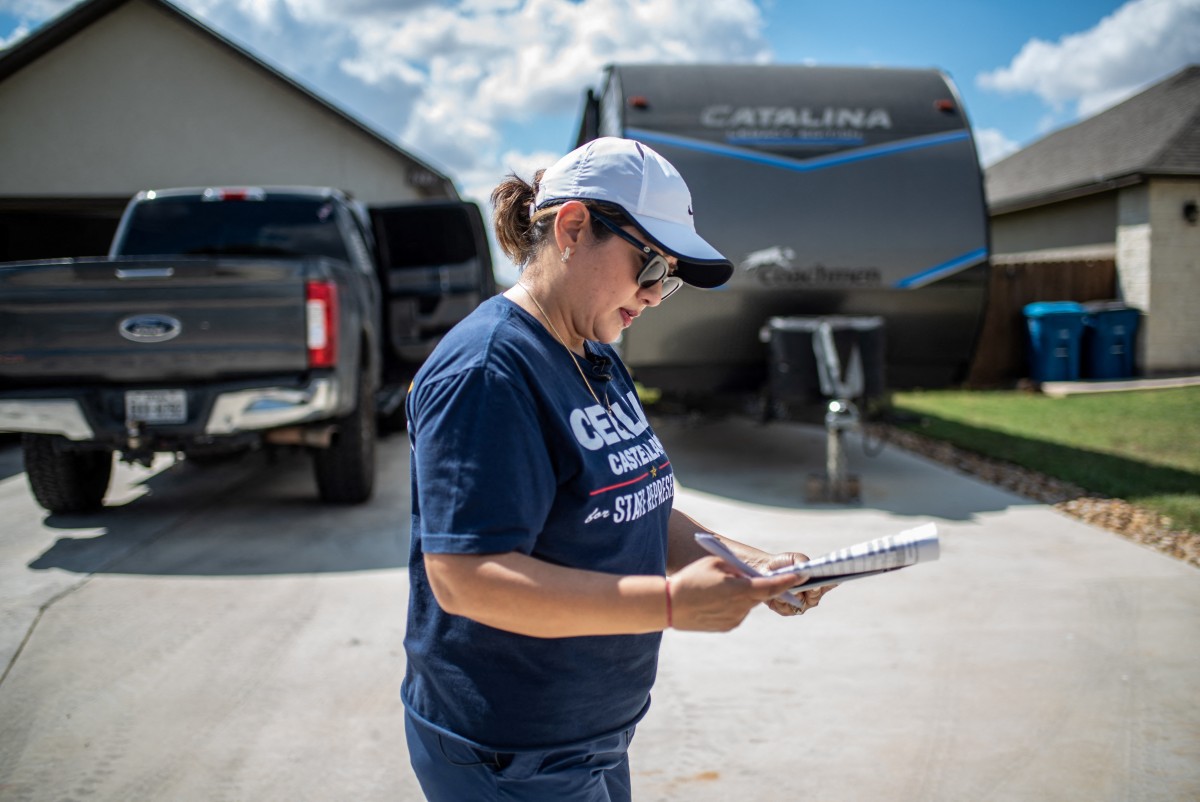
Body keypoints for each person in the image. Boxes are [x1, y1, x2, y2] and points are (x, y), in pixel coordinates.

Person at [402, 137, 832, 801]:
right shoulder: (489, 371)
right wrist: (668, 604)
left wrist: (751, 564)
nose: (659, 295)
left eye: (671, 279)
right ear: (573, 228)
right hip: (510, 750)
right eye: (652, 265)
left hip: (591, 731)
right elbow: (465, 578)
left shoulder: (593, 351)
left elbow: (635, 506)